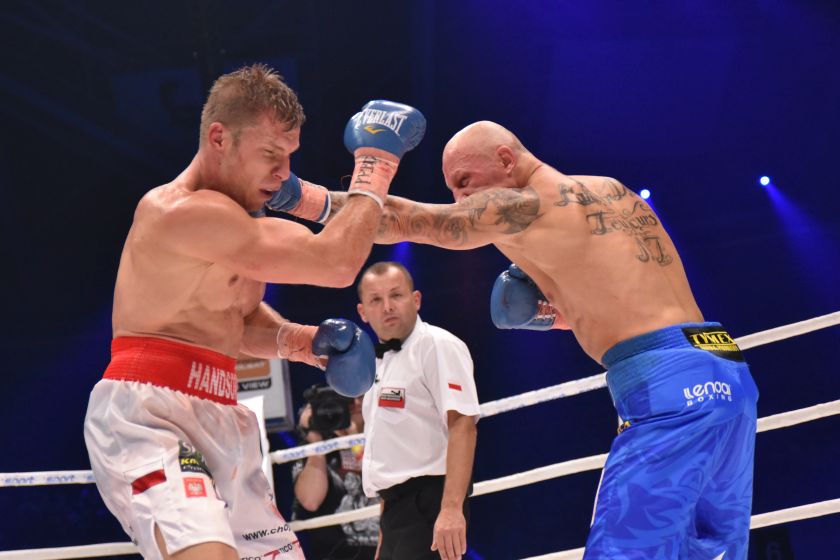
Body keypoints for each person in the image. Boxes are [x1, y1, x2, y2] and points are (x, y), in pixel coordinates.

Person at [281, 121, 758, 559]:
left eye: (464, 181)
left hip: (667, 389)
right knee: (708, 550)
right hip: (724, 367)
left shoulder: (523, 205)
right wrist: (550, 315)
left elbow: (409, 220)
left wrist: (300, 198)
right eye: (453, 189)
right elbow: (623, 300)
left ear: (507, 161)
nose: (460, 198)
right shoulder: (612, 190)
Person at [83, 63, 424, 560]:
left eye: (288, 157)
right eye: (270, 154)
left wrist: (303, 343)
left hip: (223, 411)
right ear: (219, 138)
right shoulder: (180, 212)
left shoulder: (238, 224)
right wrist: (375, 163)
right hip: (151, 416)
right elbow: (335, 262)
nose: (283, 173)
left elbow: (237, 319)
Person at [355, 262, 480, 560]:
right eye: (376, 299)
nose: (387, 306)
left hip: (430, 504)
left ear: (416, 299)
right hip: (393, 512)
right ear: (363, 312)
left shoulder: (437, 345)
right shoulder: (376, 365)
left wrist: (451, 509)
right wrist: (383, 541)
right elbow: (389, 456)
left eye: (396, 295)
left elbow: (463, 425)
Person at [291, 387, 379, 560]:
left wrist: (353, 440)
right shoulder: (313, 450)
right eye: (346, 400)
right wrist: (316, 442)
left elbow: (380, 486)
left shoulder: (385, 439)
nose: (354, 403)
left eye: (359, 396)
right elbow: (310, 501)